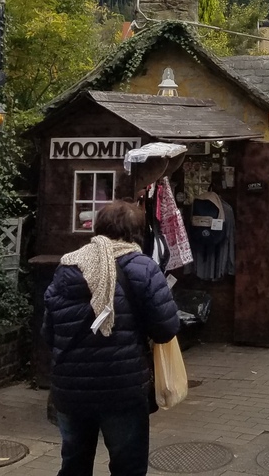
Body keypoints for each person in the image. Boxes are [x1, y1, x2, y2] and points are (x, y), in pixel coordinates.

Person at [43, 200, 180, 476]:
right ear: (135, 233)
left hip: (71, 388)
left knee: (74, 465)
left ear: (98, 228)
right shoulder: (143, 268)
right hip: (123, 388)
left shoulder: (68, 266)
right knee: (128, 467)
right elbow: (166, 329)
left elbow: (49, 332)